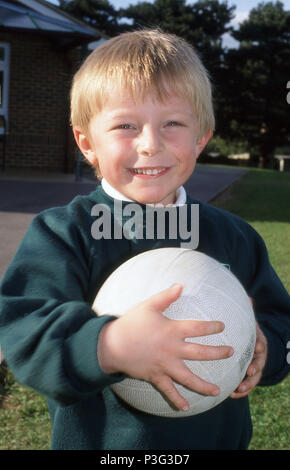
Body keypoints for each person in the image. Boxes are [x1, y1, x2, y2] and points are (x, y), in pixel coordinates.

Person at [0, 29, 289, 451]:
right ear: (87, 143)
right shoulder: (65, 234)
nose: (150, 145)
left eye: (173, 123)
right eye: (125, 126)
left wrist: (267, 345)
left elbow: (280, 318)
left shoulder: (235, 237)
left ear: (201, 136)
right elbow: (25, 336)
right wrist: (111, 345)